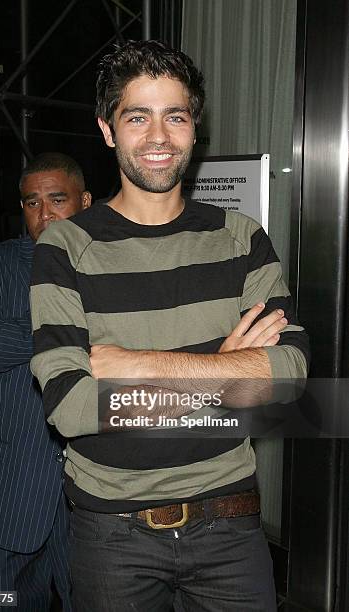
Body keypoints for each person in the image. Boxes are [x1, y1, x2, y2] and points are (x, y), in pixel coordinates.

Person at [30, 42, 310, 611]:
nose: (158, 136)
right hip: (112, 535)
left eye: (174, 116)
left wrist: (134, 364)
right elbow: (72, 407)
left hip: (231, 524)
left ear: (193, 128)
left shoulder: (240, 237)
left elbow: (288, 381)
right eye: (138, 116)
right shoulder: (66, 246)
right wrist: (228, 371)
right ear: (109, 131)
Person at [0, 153, 91, 611]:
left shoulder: (116, 268)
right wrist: (75, 331)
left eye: (57, 199)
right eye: (32, 202)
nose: (45, 213)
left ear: (85, 202)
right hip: (4, 486)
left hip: (88, 492)